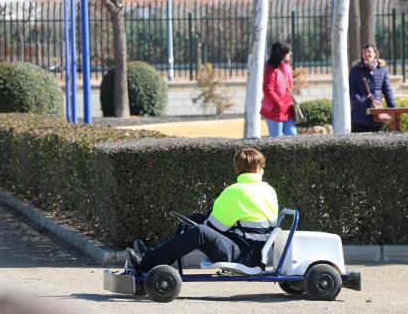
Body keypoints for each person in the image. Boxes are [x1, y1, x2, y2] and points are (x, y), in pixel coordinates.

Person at [126, 148, 279, 272]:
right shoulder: (269, 189)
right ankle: (154, 258)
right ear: (259, 169)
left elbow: (213, 227)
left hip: (245, 256)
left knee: (198, 231)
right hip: (257, 251)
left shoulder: (235, 191)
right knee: (197, 218)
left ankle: (146, 263)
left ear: (237, 168)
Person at [349, 44, 396, 133]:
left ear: (375, 54)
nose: (367, 54)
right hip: (359, 115)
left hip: (377, 115)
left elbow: (387, 91)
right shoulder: (356, 70)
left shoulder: (382, 69)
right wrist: (361, 101)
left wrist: (394, 108)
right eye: (364, 52)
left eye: (369, 52)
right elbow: (351, 90)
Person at [260, 41, 297, 137]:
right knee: (276, 138)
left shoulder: (286, 66)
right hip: (275, 110)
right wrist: (279, 104)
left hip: (288, 109)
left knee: (292, 136)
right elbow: (268, 89)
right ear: (281, 53)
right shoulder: (270, 68)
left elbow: (288, 87)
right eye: (287, 52)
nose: (290, 54)